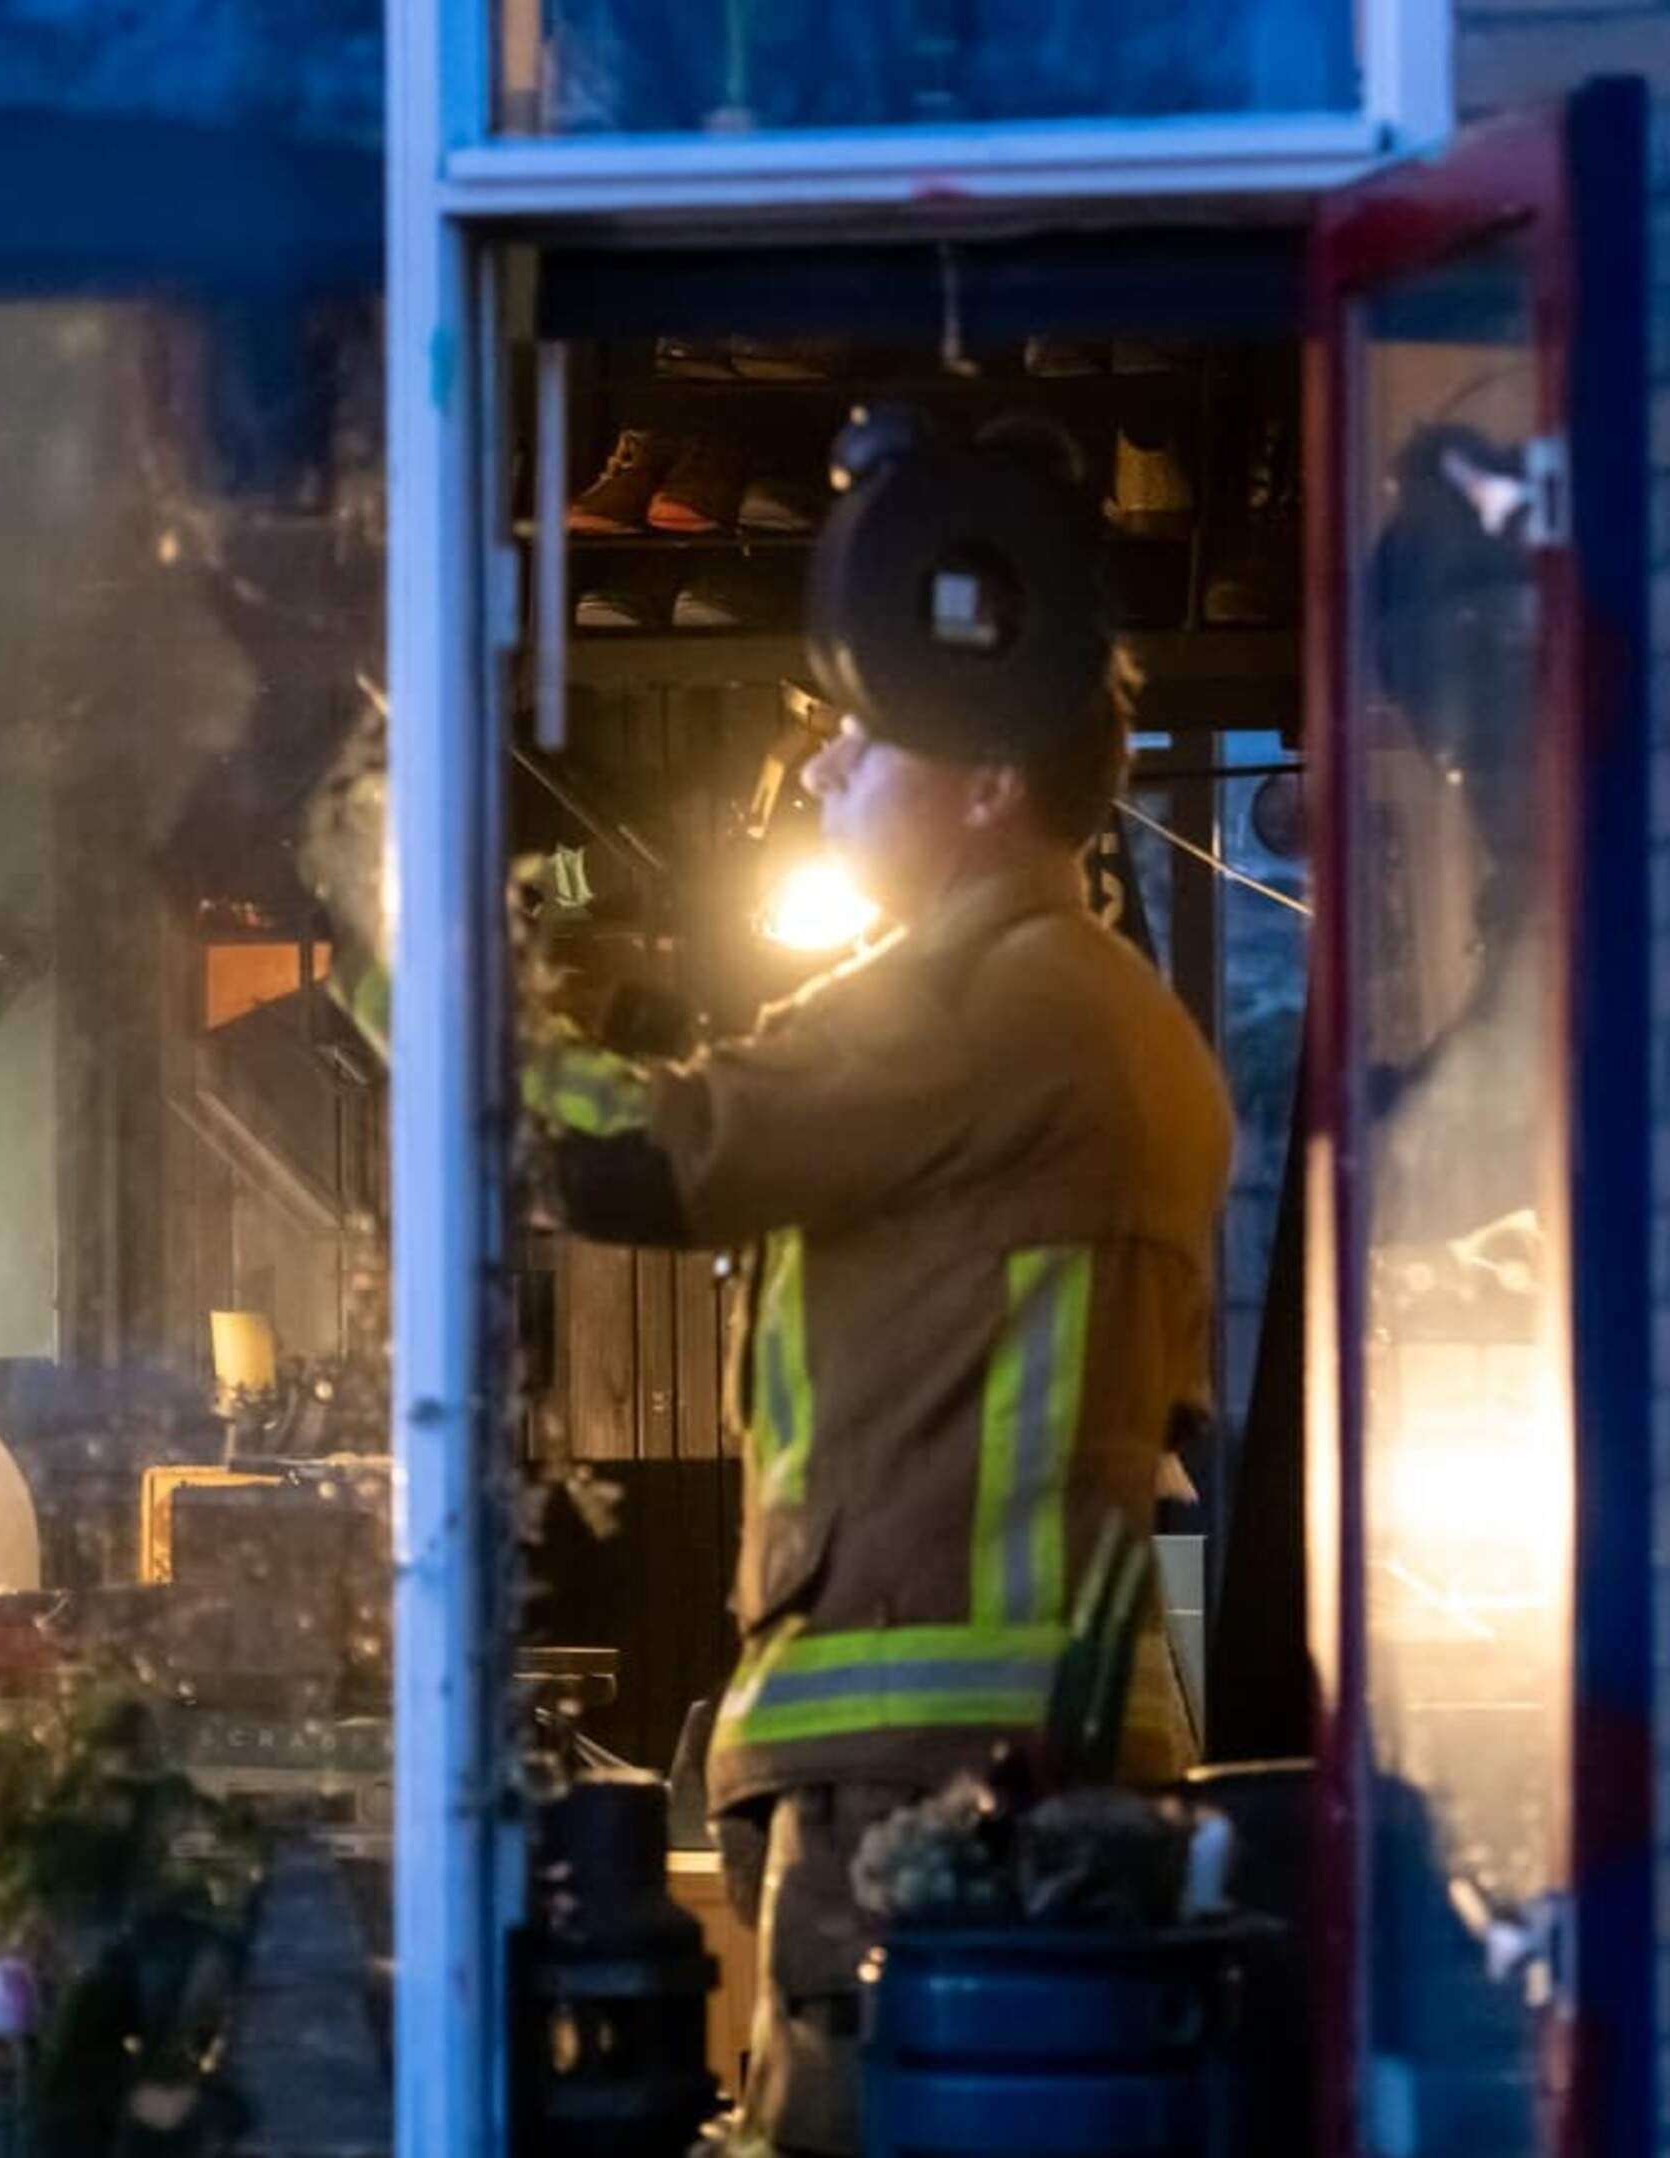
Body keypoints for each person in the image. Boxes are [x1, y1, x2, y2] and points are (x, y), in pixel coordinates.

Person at [527, 423, 1235, 2156]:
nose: (826, 762)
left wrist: (410, 975)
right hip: (992, 1775)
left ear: (988, 778)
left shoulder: (991, 1001)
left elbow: (642, 1155)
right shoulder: (1094, 1012)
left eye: (868, 729)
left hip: (923, 1786)